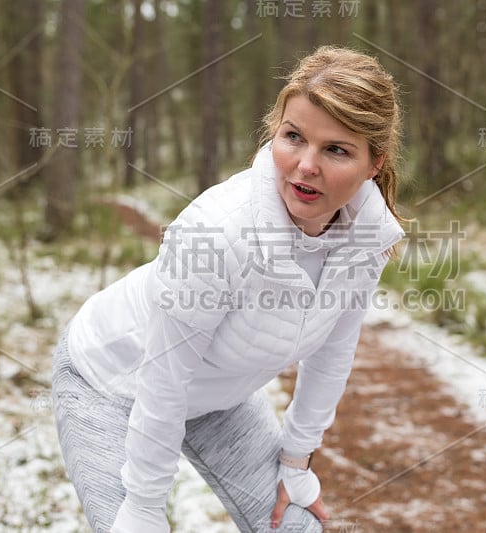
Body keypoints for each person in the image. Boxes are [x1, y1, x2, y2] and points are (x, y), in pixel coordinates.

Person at [51, 45, 405, 532]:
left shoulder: (367, 237)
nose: (305, 165)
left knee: (298, 526)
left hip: (217, 395)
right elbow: (164, 378)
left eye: (336, 149)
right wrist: (146, 504)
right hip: (112, 379)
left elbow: (332, 352)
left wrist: (296, 462)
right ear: (273, 132)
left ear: (373, 163)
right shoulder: (217, 233)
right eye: (294, 137)